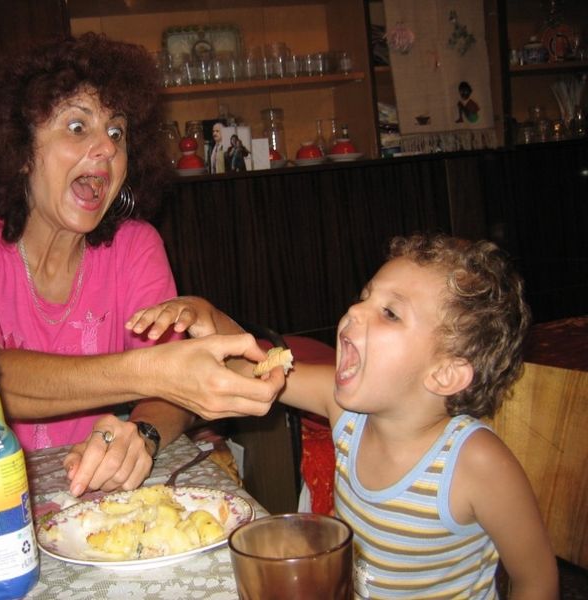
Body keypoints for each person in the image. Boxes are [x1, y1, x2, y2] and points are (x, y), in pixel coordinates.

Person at [0, 32, 284, 497]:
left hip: (81, 495)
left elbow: (174, 387)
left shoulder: (135, 247)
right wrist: (151, 371)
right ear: (21, 150)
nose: (106, 147)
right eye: (77, 126)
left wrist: (142, 435)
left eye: (117, 132)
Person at [128, 233, 559, 599]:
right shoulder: (348, 414)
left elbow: (536, 579)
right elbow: (257, 368)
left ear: (445, 373)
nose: (354, 311)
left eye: (390, 313)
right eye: (364, 297)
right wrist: (207, 315)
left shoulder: (475, 462)